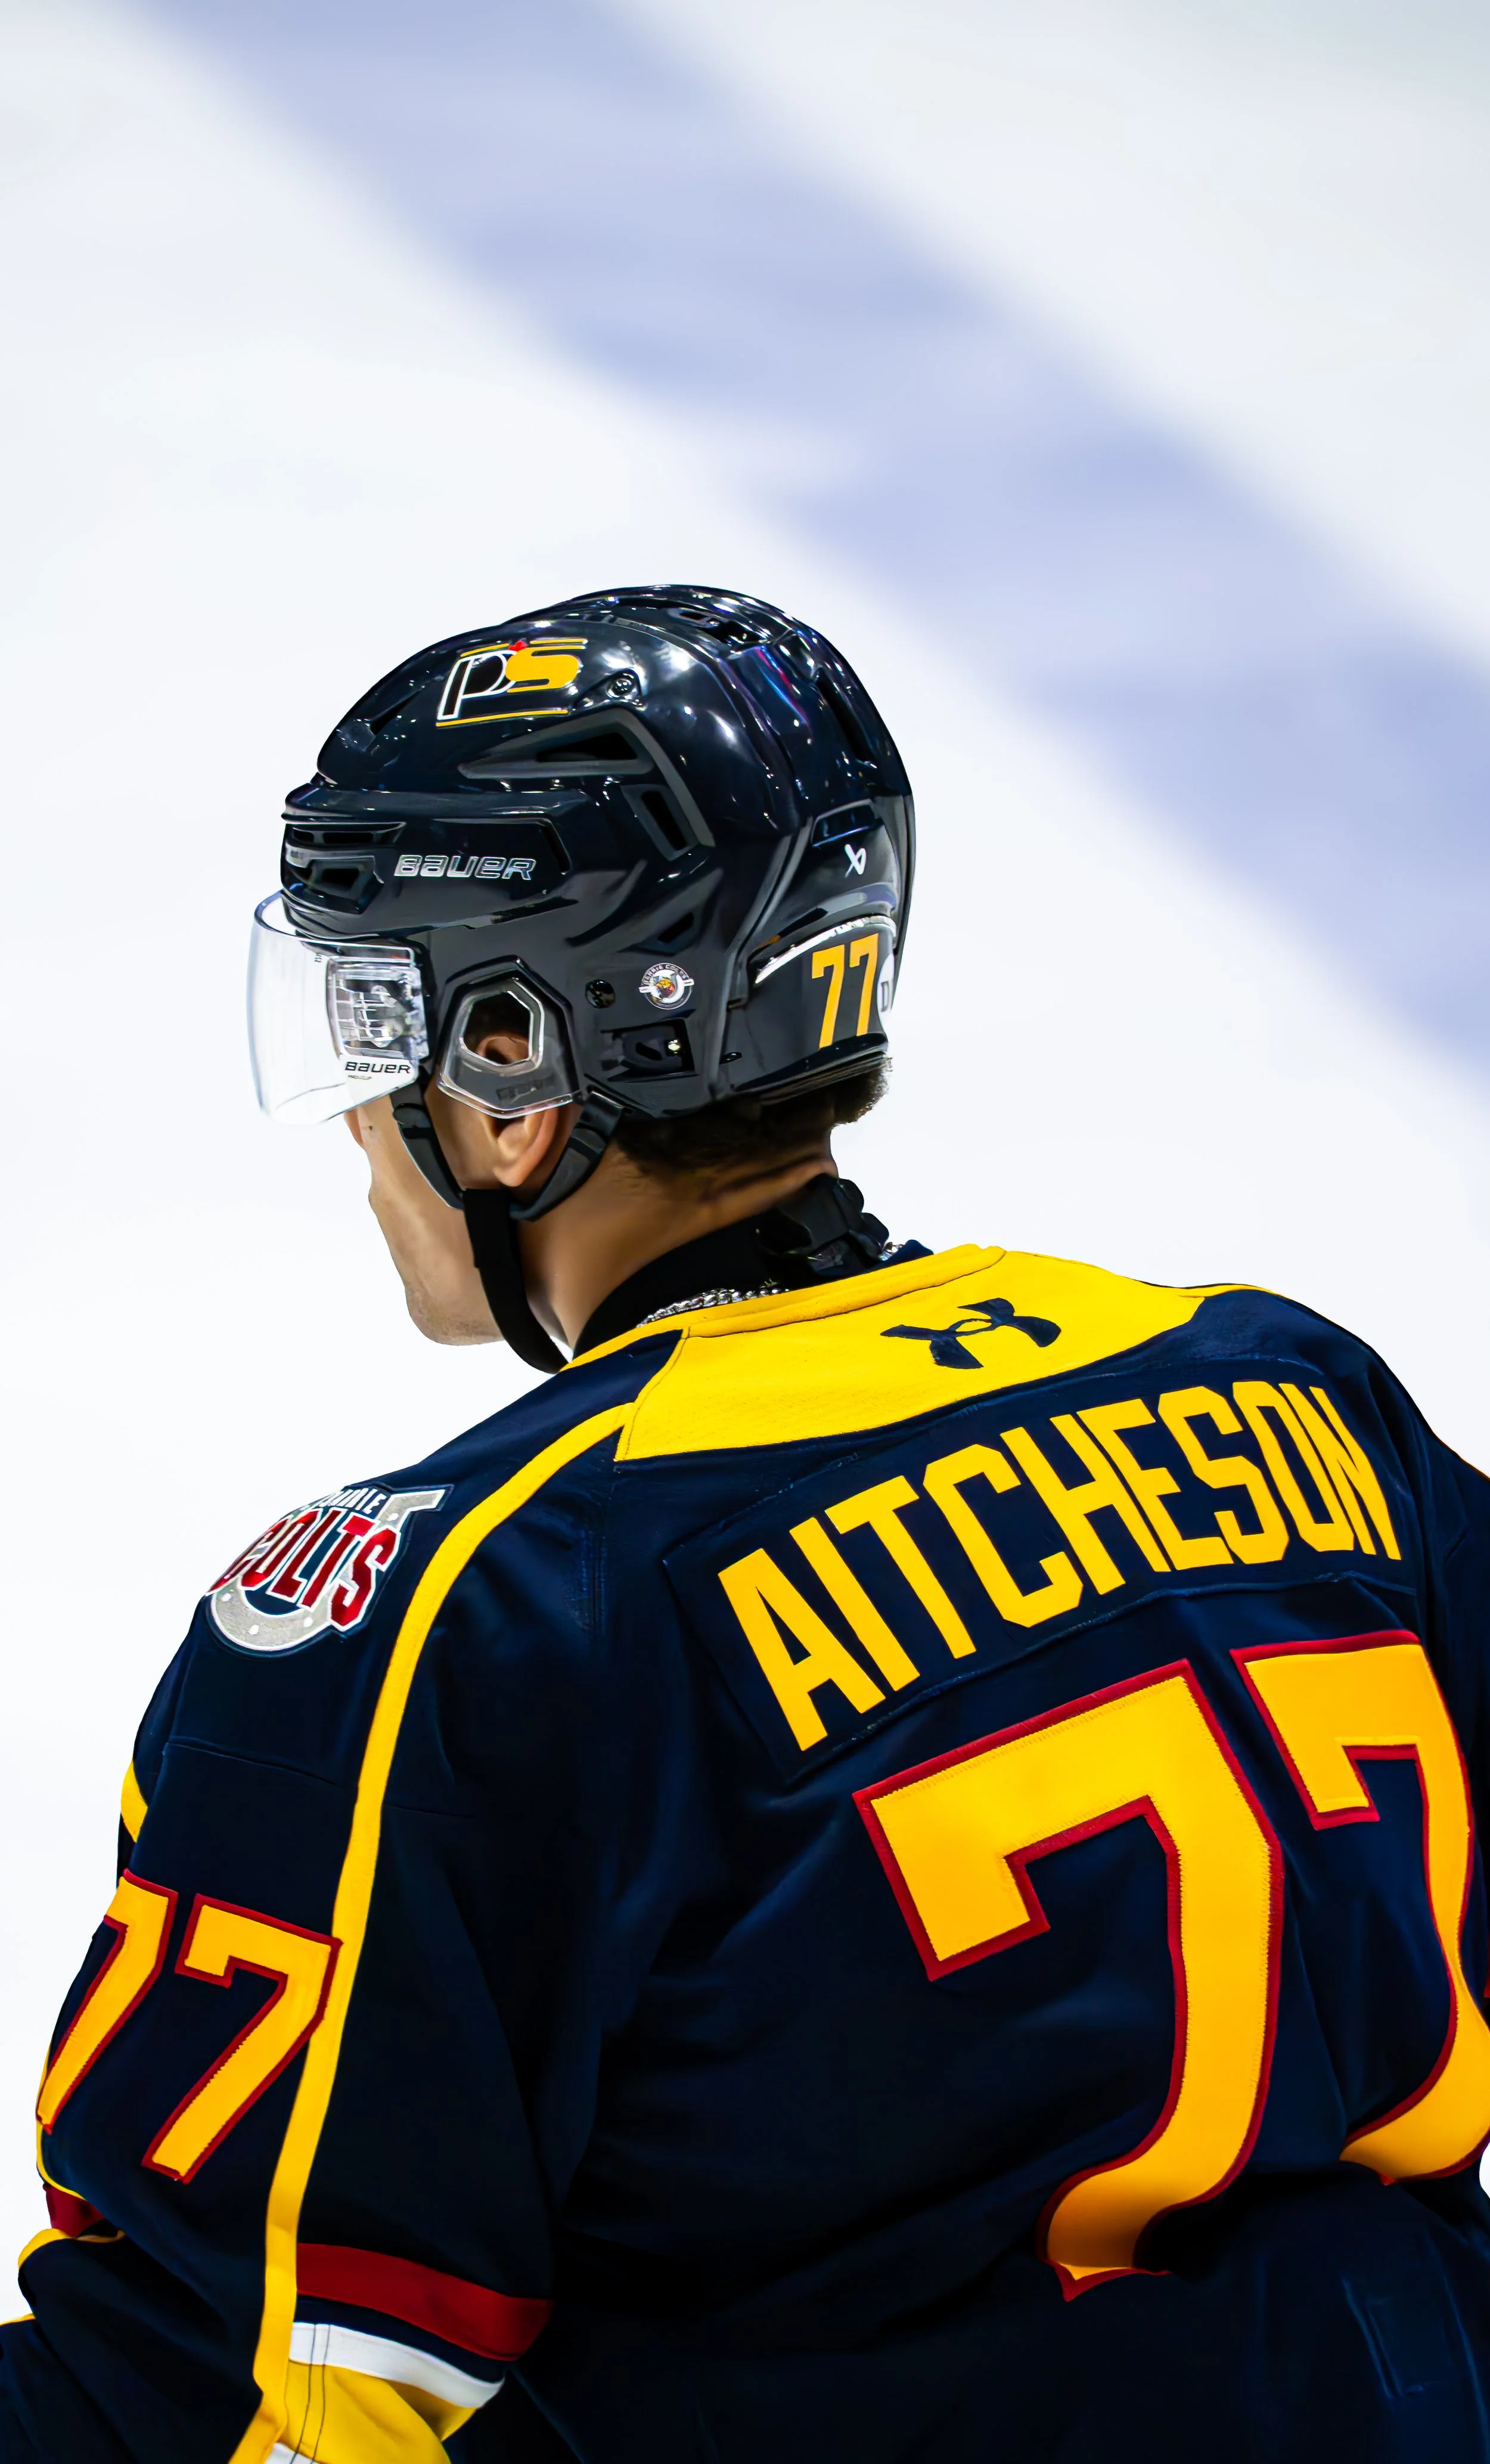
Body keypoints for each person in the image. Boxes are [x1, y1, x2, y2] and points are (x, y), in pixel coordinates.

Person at [7, 586, 1490, 2464]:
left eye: (381, 1014)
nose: (359, 1121)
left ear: (514, 1077)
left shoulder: (478, 1604)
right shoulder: (1296, 1398)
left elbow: (192, 2382)